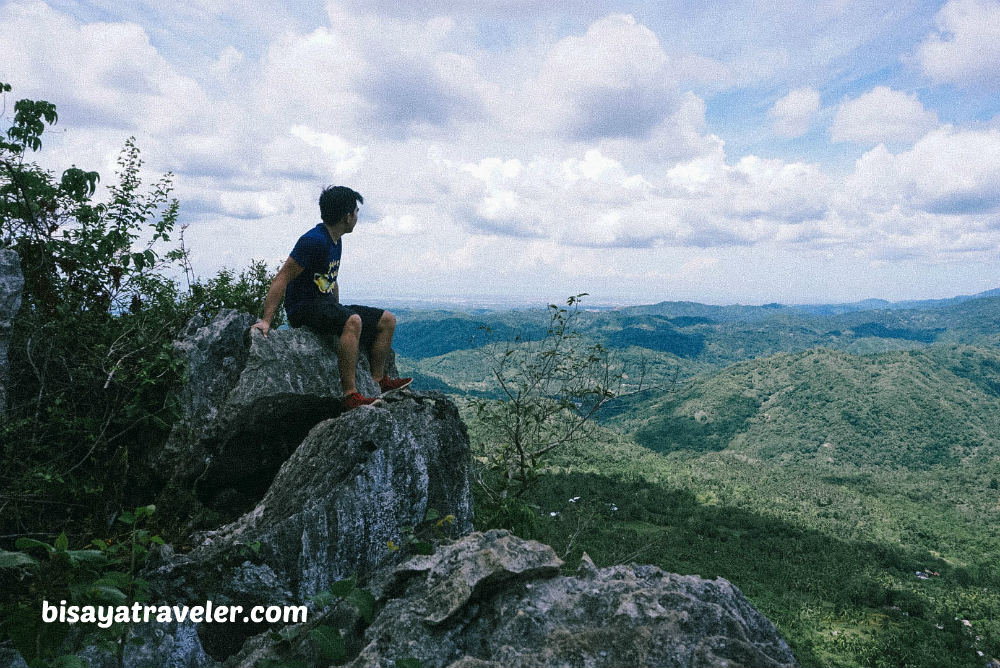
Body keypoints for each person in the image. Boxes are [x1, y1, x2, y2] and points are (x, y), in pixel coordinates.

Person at [251, 185, 411, 410]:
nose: (357, 216)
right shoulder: (314, 240)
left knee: (387, 320)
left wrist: (337, 308)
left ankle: (379, 381)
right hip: (303, 308)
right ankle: (350, 396)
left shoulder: (335, 239)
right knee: (353, 321)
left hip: (323, 304)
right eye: (356, 212)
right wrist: (267, 319)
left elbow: (330, 278)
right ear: (347, 217)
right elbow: (282, 277)